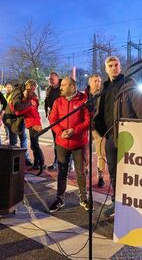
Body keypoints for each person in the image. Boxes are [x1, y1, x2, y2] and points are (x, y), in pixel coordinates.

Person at [93, 56, 142, 217]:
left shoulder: (129, 85)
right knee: (114, 173)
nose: (114, 68)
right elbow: (100, 112)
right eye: (110, 65)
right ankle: (117, 202)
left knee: (131, 174)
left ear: (120, 67)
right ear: (106, 69)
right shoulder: (103, 89)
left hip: (128, 138)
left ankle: (134, 206)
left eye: (116, 65)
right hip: (110, 137)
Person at [48, 77, 91, 212]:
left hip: (78, 142)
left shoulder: (84, 100)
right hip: (62, 142)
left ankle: (84, 198)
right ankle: (60, 198)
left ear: (72, 87)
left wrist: (74, 131)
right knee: (62, 171)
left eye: (64, 85)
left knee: (81, 172)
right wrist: (60, 132)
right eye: (61, 85)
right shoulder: (58, 101)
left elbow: (88, 120)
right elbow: (52, 119)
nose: (61, 87)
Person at [11, 80, 45, 175]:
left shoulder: (32, 100)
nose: (31, 90)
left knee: (35, 145)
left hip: (35, 124)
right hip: (31, 123)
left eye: (33, 88)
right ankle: (36, 164)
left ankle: (41, 164)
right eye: (30, 88)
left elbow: (21, 111)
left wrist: (14, 108)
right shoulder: (28, 100)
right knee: (33, 145)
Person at [85, 74, 106, 188]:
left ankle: (101, 175)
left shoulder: (103, 95)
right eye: (95, 81)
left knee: (101, 154)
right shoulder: (84, 95)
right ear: (90, 83)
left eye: (99, 81)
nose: (97, 83)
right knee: (85, 152)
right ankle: (85, 169)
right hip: (86, 128)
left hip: (99, 129)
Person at [4, 83, 32, 166]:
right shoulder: (18, 93)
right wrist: (29, 104)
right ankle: (17, 159)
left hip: (15, 119)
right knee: (17, 139)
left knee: (20, 138)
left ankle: (18, 159)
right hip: (12, 120)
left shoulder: (17, 92)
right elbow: (16, 106)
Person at [45, 72, 62, 171]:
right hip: (53, 118)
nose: (50, 81)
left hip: (63, 118)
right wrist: (48, 112)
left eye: (52, 79)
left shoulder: (63, 87)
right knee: (56, 141)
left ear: (57, 78)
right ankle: (56, 161)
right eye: (49, 79)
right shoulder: (49, 89)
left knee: (65, 141)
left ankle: (69, 162)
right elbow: (47, 102)